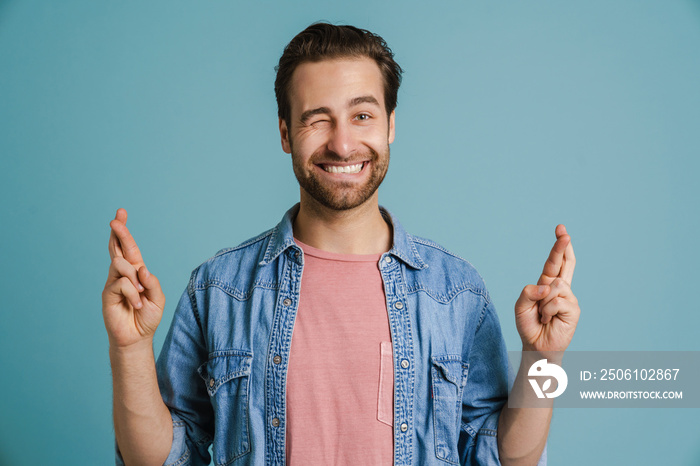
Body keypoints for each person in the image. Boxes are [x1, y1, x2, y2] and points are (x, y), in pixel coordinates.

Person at [102, 23, 580, 466]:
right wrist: (129, 348)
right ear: (286, 133)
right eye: (318, 120)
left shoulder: (456, 292)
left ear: (390, 125)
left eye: (362, 114)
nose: (343, 144)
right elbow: (159, 457)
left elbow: (503, 457)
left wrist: (545, 359)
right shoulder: (218, 290)